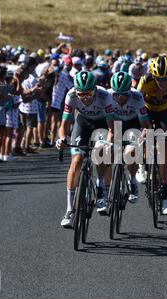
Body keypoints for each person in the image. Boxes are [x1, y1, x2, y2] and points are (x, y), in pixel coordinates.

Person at [56, 71, 115, 228]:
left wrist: (108, 143)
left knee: (100, 152)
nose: (85, 97)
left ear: (94, 89)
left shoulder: (105, 96)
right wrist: (61, 139)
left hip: (103, 123)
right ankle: (69, 210)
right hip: (83, 123)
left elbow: (112, 129)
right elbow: (64, 125)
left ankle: (101, 186)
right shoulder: (71, 95)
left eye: (88, 93)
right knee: (76, 161)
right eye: (81, 94)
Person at [137, 56, 167, 215]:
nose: (162, 83)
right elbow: (136, 104)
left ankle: (164, 193)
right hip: (145, 111)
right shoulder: (145, 81)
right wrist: (144, 127)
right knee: (143, 135)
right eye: (158, 79)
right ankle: (142, 163)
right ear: (153, 76)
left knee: (166, 147)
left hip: (163, 112)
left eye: (165, 79)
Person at [108, 71, 151, 202]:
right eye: (117, 94)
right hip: (114, 123)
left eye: (124, 94)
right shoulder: (107, 95)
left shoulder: (137, 97)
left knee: (131, 152)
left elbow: (145, 123)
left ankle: (132, 180)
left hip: (132, 123)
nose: (120, 98)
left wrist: (143, 134)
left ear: (130, 91)